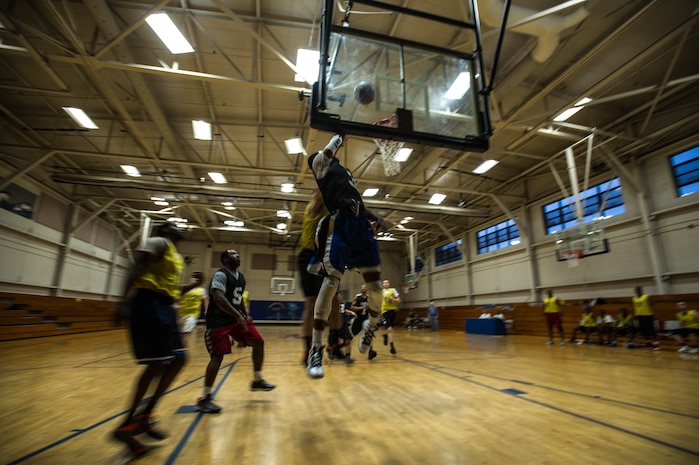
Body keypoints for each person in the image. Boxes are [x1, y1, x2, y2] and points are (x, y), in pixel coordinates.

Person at [305, 133, 388, 378]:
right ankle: (316, 349)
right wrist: (338, 135)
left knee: (375, 286)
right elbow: (326, 153)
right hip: (339, 225)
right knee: (331, 282)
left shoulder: (345, 173)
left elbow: (358, 204)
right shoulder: (320, 166)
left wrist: (376, 217)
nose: (330, 154)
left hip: (360, 224)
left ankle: (371, 327)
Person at [112, 222, 189, 457]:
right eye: (176, 225)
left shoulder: (174, 254)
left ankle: (145, 416)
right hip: (148, 303)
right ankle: (127, 425)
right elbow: (136, 267)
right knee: (156, 364)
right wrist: (123, 302)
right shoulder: (157, 242)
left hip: (164, 307)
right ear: (166, 230)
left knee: (179, 359)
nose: (181, 228)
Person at [197, 249, 275, 413]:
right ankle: (204, 398)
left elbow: (238, 300)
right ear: (225, 259)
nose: (238, 256)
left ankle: (257, 380)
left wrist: (245, 316)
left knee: (258, 342)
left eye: (239, 254)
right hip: (218, 322)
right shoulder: (220, 275)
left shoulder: (241, 277)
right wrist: (238, 315)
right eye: (233, 254)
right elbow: (219, 298)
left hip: (235, 320)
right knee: (217, 358)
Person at [297, 188, 328, 365]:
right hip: (308, 257)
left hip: (325, 258)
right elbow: (320, 194)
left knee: (326, 304)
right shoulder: (314, 207)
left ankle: (327, 344)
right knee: (311, 304)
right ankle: (307, 349)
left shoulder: (333, 211)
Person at [177, 271, 208, 348]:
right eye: (191, 277)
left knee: (186, 333)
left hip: (192, 315)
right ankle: (180, 348)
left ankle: (182, 349)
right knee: (180, 333)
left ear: (197, 280)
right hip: (181, 313)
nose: (191, 279)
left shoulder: (201, 290)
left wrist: (206, 310)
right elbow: (178, 298)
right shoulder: (185, 288)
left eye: (193, 278)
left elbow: (205, 300)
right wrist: (177, 305)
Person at [350, 284, 377, 360]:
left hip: (365, 319)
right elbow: (352, 307)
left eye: (365, 287)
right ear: (360, 289)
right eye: (362, 288)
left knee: (369, 333)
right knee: (351, 335)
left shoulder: (369, 298)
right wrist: (361, 307)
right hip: (358, 319)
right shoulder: (357, 297)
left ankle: (371, 351)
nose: (364, 289)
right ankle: (344, 350)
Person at [630, 286, 660, 350]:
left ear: (641, 290)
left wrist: (655, 313)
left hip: (647, 315)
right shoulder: (634, 298)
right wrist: (635, 315)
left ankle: (656, 345)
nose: (637, 291)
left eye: (639, 289)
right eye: (636, 290)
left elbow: (652, 305)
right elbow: (635, 307)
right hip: (639, 316)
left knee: (651, 331)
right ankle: (648, 345)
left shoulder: (646, 296)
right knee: (644, 332)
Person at [380, 279, 401, 355]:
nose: (385, 284)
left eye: (387, 282)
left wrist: (393, 299)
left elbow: (399, 300)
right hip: (385, 311)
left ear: (389, 284)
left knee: (390, 328)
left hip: (393, 311)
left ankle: (385, 336)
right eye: (384, 283)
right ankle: (392, 347)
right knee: (389, 329)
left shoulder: (393, 290)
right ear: (383, 285)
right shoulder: (381, 292)